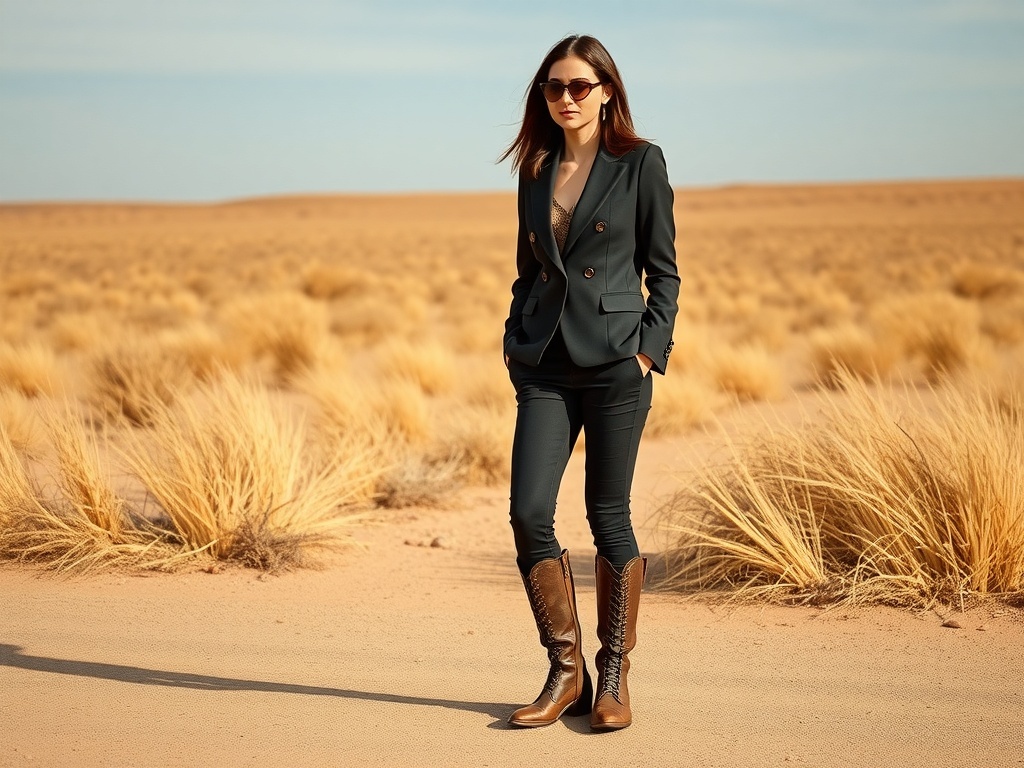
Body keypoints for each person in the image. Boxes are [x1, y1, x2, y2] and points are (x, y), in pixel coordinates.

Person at [499, 34, 679, 731]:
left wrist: (646, 352)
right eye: (553, 88)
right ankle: (565, 668)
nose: (566, 98)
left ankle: (613, 672)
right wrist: (516, 337)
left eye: (579, 86)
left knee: (610, 514)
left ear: (607, 91)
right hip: (543, 365)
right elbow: (528, 269)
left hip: (614, 364)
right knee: (527, 511)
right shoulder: (536, 166)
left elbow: (663, 271)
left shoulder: (640, 164)